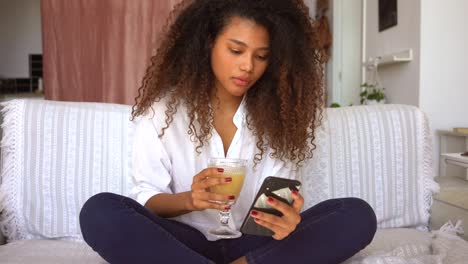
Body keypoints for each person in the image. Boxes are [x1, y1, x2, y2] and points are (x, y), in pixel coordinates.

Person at [79, 0, 377, 263]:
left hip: (252, 244)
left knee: (356, 216)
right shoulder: (161, 114)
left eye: (261, 56)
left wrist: (283, 222)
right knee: (99, 212)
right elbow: (146, 199)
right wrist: (189, 200)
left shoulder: (281, 118)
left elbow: (270, 210)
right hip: (183, 242)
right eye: (236, 50)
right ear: (208, 43)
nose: (247, 65)